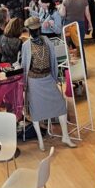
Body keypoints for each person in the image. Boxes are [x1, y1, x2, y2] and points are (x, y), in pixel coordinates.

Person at [21, 17, 76, 150]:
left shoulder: (46, 40)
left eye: (37, 29)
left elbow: (53, 60)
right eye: (32, 30)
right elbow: (24, 65)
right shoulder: (26, 46)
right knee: (36, 111)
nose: (35, 32)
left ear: (40, 29)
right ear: (29, 31)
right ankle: (40, 140)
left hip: (47, 78)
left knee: (61, 105)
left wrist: (55, 77)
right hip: (34, 81)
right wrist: (24, 85)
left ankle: (65, 137)